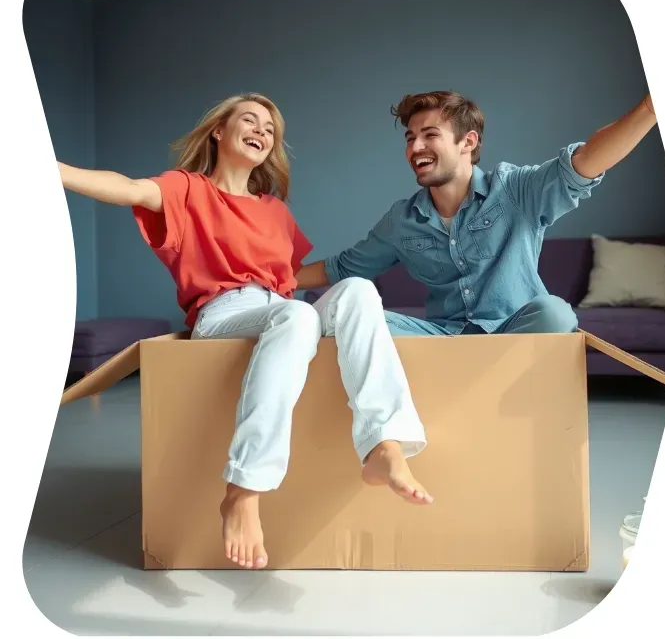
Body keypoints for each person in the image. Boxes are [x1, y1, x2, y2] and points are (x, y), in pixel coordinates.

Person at [57, 93, 432, 571]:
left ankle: (384, 443)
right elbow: (128, 188)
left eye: (270, 129)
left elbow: (292, 280)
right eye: (250, 120)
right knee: (296, 316)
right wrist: (53, 169)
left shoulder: (275, 210)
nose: (262, 131)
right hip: (224, 312)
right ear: (219, 130)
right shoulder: (186, 189)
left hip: (281, 311)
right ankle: (243, 489)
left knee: (357, 289)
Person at [295, 90, 659, 337]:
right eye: (409, 137)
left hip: (513, 333)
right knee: (354, 321)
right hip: (443, 336)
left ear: (467, 142)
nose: (415, 146)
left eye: (429, 135)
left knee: (555, 313)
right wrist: (272, 281)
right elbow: (343, 267)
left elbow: (583, 164)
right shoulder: (400, 221)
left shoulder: (515, 189)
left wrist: (650, 109)